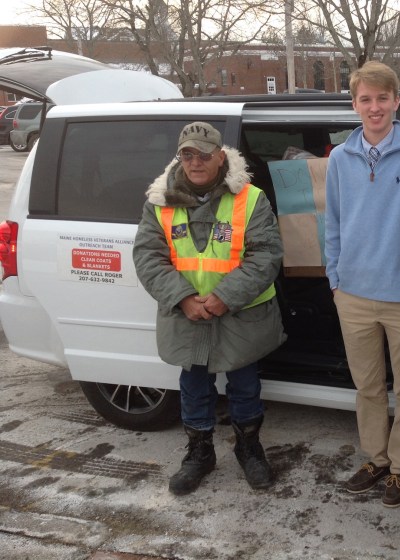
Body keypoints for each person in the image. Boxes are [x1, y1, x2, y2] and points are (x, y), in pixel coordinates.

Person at [133, 121, 286, 496]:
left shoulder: (250, 198)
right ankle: (199, 454)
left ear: (221, 157)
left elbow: (266, 255)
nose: (196, 161)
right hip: (188, 314)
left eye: (204, 154)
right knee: (194, 387)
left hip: (238, 312)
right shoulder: (159, 200)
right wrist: (184, 298)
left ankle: (249, 449)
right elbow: (148, 256)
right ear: (179, 157)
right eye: (188, 154)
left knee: (245, 386)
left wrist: (225, 297)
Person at [325, 61, 400, 507]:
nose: (375, 107)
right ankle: (374, 459)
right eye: (365, 99)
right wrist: (335, 277)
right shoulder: (340, 158)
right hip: (352, 295)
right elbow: (331, 222)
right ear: (355, 104)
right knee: (368, 387)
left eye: (383, 98)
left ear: (397, 101)